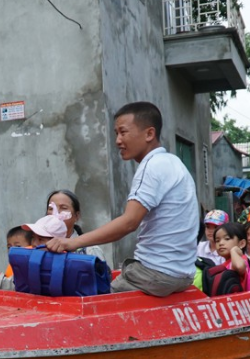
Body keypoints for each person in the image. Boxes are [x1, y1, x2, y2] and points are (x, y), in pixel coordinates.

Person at [46, 102, 199, 296]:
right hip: (182, 275)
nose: (118, 140)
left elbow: (129, 222)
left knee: (95, 302)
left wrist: (72, 243)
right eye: (116, 133)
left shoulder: (151, 166)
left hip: (155, 274)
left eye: (123, 132)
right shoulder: (174, 163)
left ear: (149, 134)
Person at [45, 190, 105, 262]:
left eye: (63, 208)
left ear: (76, 216)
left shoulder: (90, 250)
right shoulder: (39, 245)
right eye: (51, 208)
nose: (56, 213)